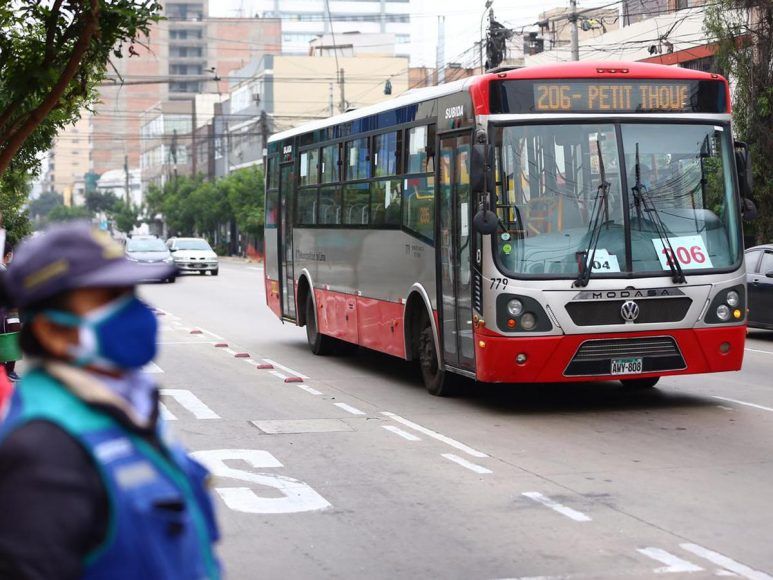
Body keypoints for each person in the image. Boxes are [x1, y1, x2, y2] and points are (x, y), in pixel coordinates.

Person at [0, 222, 221, 579]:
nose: (134, 313)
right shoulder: (42, 450)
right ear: (52, 331)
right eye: (108, 299)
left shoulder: (129, 406)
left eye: (129, 294)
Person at [0, 241, 20, 382]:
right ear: (8, 255)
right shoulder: (3, 271)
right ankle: (9, 371)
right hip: (6, 313)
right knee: (11, 337)